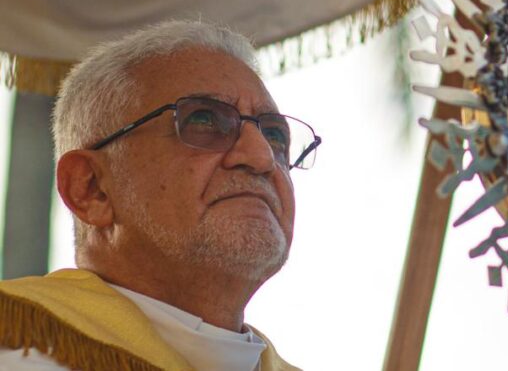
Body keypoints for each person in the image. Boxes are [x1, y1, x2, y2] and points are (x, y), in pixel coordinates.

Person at [0, 20, 318, 370]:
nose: (261, 158)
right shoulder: (16, 345)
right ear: (91, 188)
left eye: (275, 136)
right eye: (204, 120)